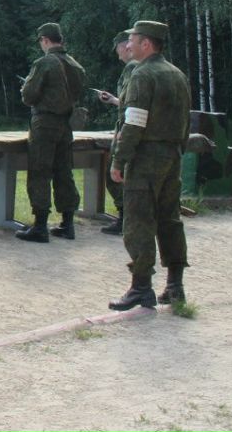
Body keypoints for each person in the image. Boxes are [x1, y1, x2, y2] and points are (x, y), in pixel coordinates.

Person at [108, 21, 191, 311]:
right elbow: (185, 121)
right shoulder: (177, 74)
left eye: (132, 40)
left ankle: (141, 287)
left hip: (146, 158)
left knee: (139, 220)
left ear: (146, 44)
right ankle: (175, 286)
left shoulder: (143, 74)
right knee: (170, 219)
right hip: (172, 156)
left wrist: (119, 159)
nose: (127, 45)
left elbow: (134, 121)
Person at [16, 22, 87, 242]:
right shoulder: (76, 66)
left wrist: (25, 87)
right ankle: (67, 224)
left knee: (40, 171)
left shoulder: (44, 63)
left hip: (44, 123)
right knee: (64, 172)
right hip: (66, 125)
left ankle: (40, 226)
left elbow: (28, 96)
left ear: (45, 40)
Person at [94, 31, 136, 234]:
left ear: (125, 46)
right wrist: (112, 100)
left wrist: (124, 131)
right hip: (132, 126)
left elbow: (133, 105)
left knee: (116, 174)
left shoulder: (132, 68)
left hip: (128, 129)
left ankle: (125, 218)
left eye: (118, 48)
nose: (118, 53)